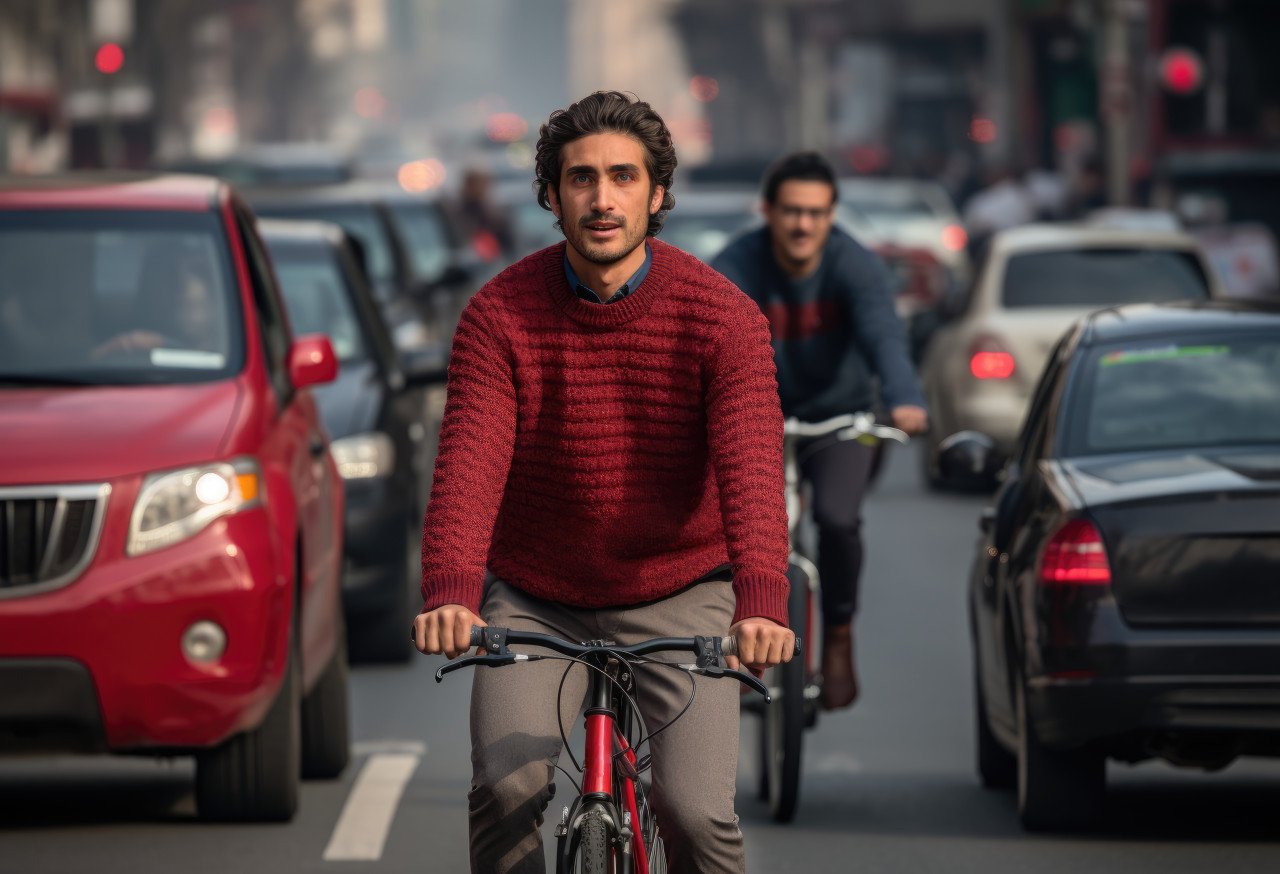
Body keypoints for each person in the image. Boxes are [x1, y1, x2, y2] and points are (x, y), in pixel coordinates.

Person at [412, 91, 794, 874]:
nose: (602, 198)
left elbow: (752, 467)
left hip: (681, 588)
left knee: (695, 813)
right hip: (537, 595)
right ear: (551, 194)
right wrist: (450, 591)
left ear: (657, 194)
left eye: (624, 177)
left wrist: (761, 600)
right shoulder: (498, 316)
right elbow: (469, 463)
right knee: (504, 787)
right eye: (581, 179)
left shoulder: (724, 318)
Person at [711, 152, 929, 711]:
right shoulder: (738, 263)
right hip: (754, 418)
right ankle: (740, 639)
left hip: (842, 416)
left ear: (832, 215)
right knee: (726, 529)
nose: (802, 225)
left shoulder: (855, 265)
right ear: (768, 211)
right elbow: (704, 336)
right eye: (790, 211)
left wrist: (904, 399)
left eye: (815, 213)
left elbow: (884, 335)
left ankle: (837, 636)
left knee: (836, 519)